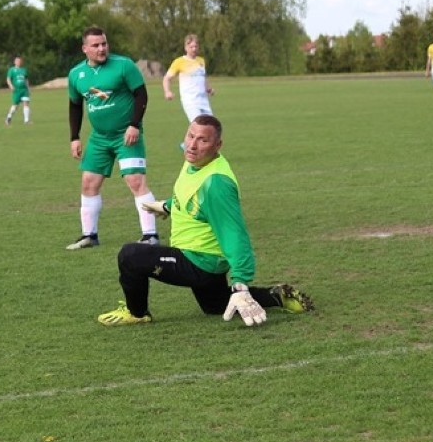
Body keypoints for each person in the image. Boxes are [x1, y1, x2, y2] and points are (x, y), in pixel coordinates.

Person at [97, 114, 314, 326]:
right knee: (216, 306)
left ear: (218, 145)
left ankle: (137, 313)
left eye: (203, 140)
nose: (192, 145)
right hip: (204, 261)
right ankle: (276, 296)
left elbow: (234, 234)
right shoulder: (196, 160)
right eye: (190, 136)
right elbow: (192, 198)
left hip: (200, 260)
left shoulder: (216, 184)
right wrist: (168, 206)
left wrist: (240, 281)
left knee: (131, 255)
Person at [66, 26, 160, 250]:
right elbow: (75, 105)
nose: (102, 48)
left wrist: (134, 125)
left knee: (135, 181)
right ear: (85, 49)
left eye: (104, 44)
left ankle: (151, 235)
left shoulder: (123, 65)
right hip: (99, 138)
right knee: (89, 183)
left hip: (126, 136)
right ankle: (89, 235)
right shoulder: (76, 74)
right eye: (96, 45)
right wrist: (74, 137)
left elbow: (141, 95)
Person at [162, 34, 215, 122]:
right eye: (191, 47)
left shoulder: (201, 60)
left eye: (196, 46)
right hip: (190, 101)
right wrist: (167, 91)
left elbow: (203, 76)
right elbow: (167, 78)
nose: (194, 49)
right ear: (186, 47)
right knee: (199, 125)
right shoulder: (179, 62)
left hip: (203, 100)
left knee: (210, 126)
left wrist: (208, 89)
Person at [5, 55, 31, 125]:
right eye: (17, 61)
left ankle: (26, 121)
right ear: (14, 62)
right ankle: (9, 117)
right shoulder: (12, 70)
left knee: (26, 104)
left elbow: (26, 80)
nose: (19, 62)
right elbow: (8, 79)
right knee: (15, 106)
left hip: (24, 90)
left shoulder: (23, 70)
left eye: (20, 61)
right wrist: (11, 86)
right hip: (16, 90)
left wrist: (28, 88)